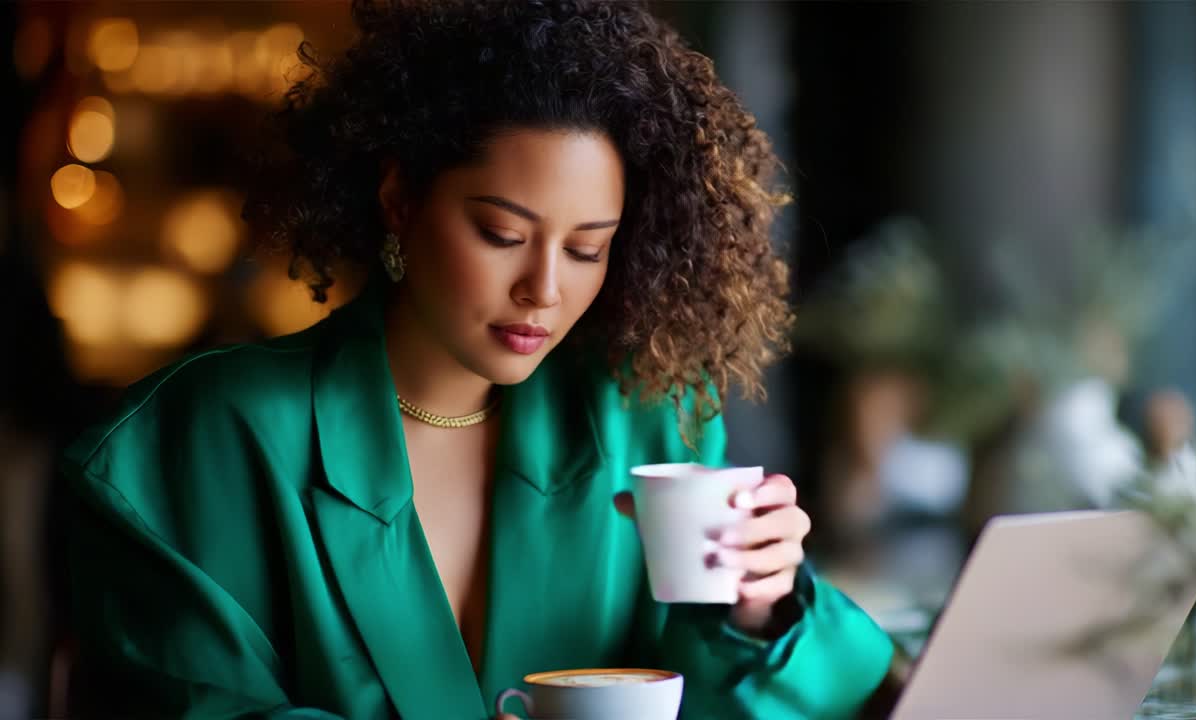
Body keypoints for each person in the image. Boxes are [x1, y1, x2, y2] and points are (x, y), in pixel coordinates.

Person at [62, 1, 894, 718]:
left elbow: (772, 696)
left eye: (587, 249)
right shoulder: (184, 446)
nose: (543, 290)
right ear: (399, 198)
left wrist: (758, 610)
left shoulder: (649, 413)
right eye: (502, 235)